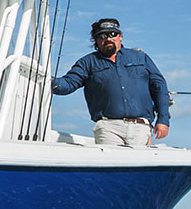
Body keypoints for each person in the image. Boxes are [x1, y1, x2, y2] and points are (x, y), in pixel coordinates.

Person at [51, 17, 170, 147]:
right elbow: (68, 84)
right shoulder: (87, 63)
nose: (108, 39)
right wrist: (48, 81)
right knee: (115, 163)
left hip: (140, 126)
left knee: (140, 164)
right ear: (96, 40)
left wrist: (163, 119)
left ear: (120, 36)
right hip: (108, 127)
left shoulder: (141, 57)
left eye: (112, 34)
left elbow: (159, 87)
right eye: (102, 36)